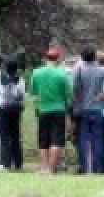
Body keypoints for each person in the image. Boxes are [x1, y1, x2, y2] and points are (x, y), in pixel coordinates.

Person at [72, 45, 104, 174]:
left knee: (83, 139)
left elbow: (74, 89)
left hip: (83, 109)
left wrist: (76, 101)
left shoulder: (79, 70)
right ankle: (98, 168)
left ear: (82, 57)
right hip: (98, 108)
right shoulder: (102, 70)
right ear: (94, 57)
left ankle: (85, 168)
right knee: (98, 139)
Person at [29, 45, 72, 174]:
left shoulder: (36, 72)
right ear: (58, 59)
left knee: (43, 140)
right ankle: (52, 169)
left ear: (45, 58)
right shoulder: (62, 74)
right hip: (59, 109)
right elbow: (68, 95)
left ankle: (44, 167)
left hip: (42, 109)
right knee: (56, 139)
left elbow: (34, 92)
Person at [0, 58, 26, 171]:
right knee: (15, 136)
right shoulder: (20, 80)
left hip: (2, 109)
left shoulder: (0, 79)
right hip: (15, 110)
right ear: (16, 68)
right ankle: (18, 162)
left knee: (4, 136)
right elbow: (22, 95)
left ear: (5, 68)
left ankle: (5, 163)